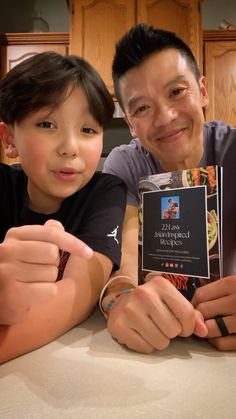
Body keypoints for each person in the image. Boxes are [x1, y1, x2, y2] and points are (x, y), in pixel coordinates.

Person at [101, 23, 236, 353]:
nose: (164, 117)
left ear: (202, 91)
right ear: (130, 122)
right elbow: (124, 259)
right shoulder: (125, 165)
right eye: (142, 108)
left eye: (177, 91)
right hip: (161, 348)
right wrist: (120, 298)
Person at [0, 51, 127, 364]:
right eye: (47, 123)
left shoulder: (106, 191)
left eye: (88, 130)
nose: (71, 147)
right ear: (9, 138)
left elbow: (78, 295)